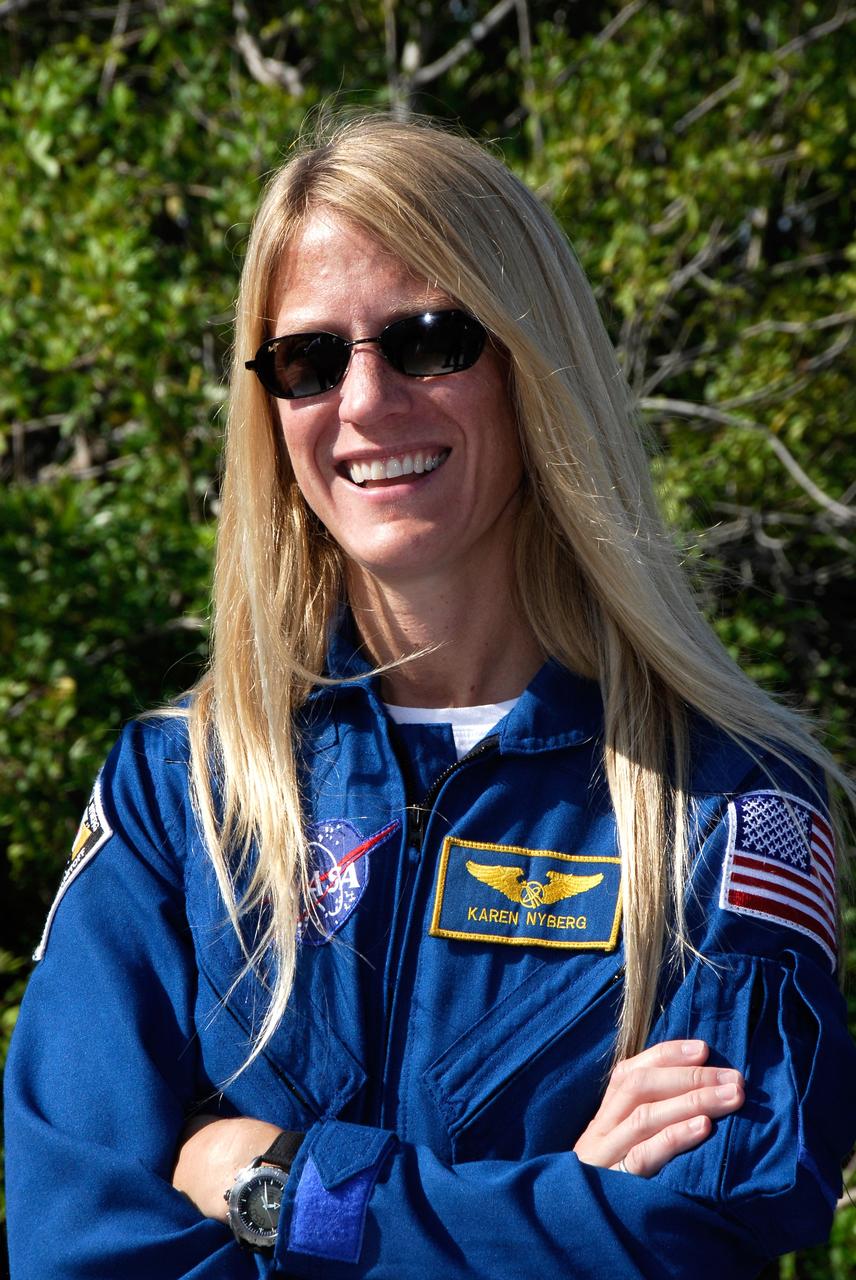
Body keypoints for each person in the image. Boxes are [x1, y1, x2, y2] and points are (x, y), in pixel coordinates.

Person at [5, 112, 855, 1280]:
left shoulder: (724, 797)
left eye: (429, 340)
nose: (364, 401)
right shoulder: (176, 795)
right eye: (307, 359)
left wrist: (278, 1187)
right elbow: (74, 1247)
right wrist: (555, 1208)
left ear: (530, 363)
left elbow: (706, 1224)